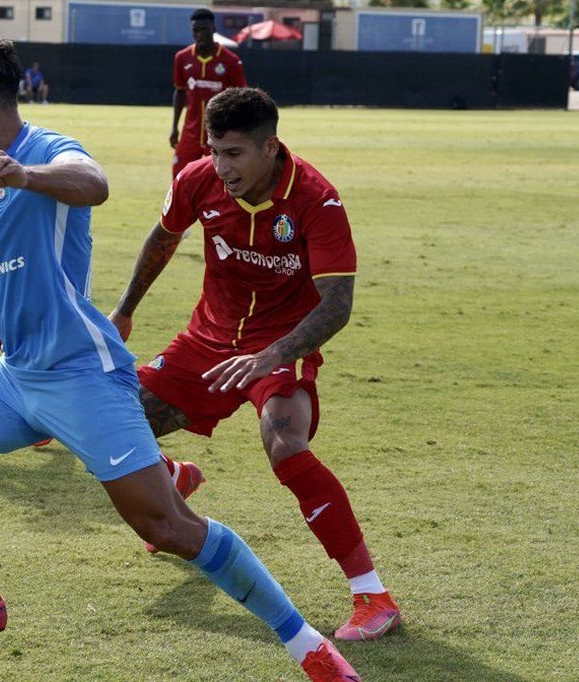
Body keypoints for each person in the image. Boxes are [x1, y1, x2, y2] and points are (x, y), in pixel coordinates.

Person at [0, 36, 361, 682]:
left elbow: (92, 183)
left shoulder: (46, 149)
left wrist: (24, 176)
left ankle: (309, 647)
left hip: (82, 375)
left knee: (171, 527)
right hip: (17, 374)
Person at [110, 87, 402, 643]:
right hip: (207, 339)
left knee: (286, 445)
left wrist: (272, 356)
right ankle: (171, 476)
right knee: (108, 417)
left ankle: (373, 596)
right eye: (214, 151)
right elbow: (164, 239)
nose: (221, 167)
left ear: (270, 147)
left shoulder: (316, 200)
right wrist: (125, 310)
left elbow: (338, 304)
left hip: (280, 343)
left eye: (234, 154)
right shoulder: (198, 179)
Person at [170, 8, 245, 179]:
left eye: (203, 29)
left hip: (221, 134)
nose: (199, 34)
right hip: (191, 133)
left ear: (213, 29)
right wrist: (174, 127)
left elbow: (241, 100)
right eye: (195, 30)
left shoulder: (231, 61)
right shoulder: (182, 58)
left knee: (219, 180)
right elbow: (180, 92)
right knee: (180, 177)